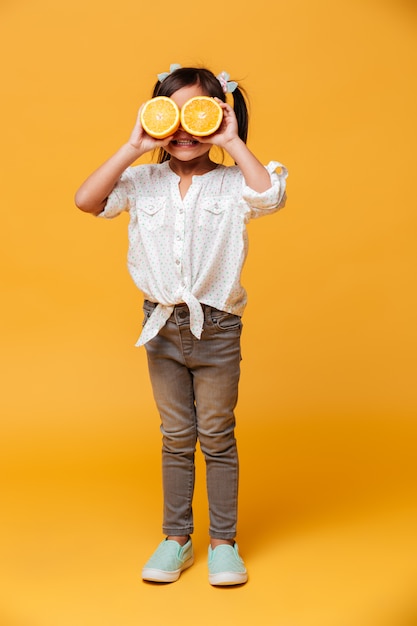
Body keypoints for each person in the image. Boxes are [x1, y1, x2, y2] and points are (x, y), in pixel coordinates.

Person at [75, 64, 288, 586]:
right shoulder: (141, 180)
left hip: (217, 327)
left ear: (221, 116)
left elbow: (271, 196)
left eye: (202, 114)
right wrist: (133, 145)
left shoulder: (236, 181)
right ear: (156, 117)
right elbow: (87, 200)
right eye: (173, 115)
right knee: (175, 435)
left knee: (216, 434)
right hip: (161, 326)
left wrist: (233, 140)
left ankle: (223, 543)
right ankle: (176, 539)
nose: (185, 130)